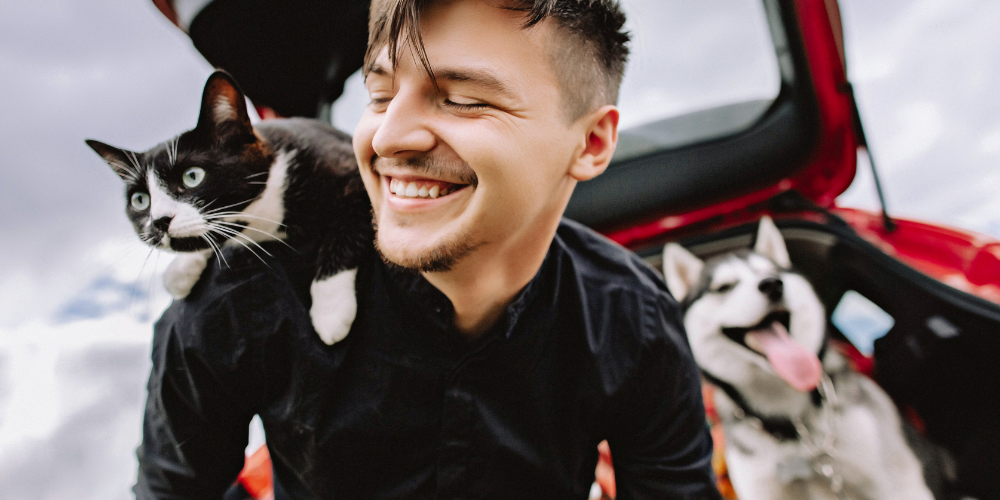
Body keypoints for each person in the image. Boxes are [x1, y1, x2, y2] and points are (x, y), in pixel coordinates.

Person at [134, 1, 721, 499]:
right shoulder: (235, 305)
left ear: (590, 143)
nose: (389, 137)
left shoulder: (633, 320)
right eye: (380, 94)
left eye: (463, 99)